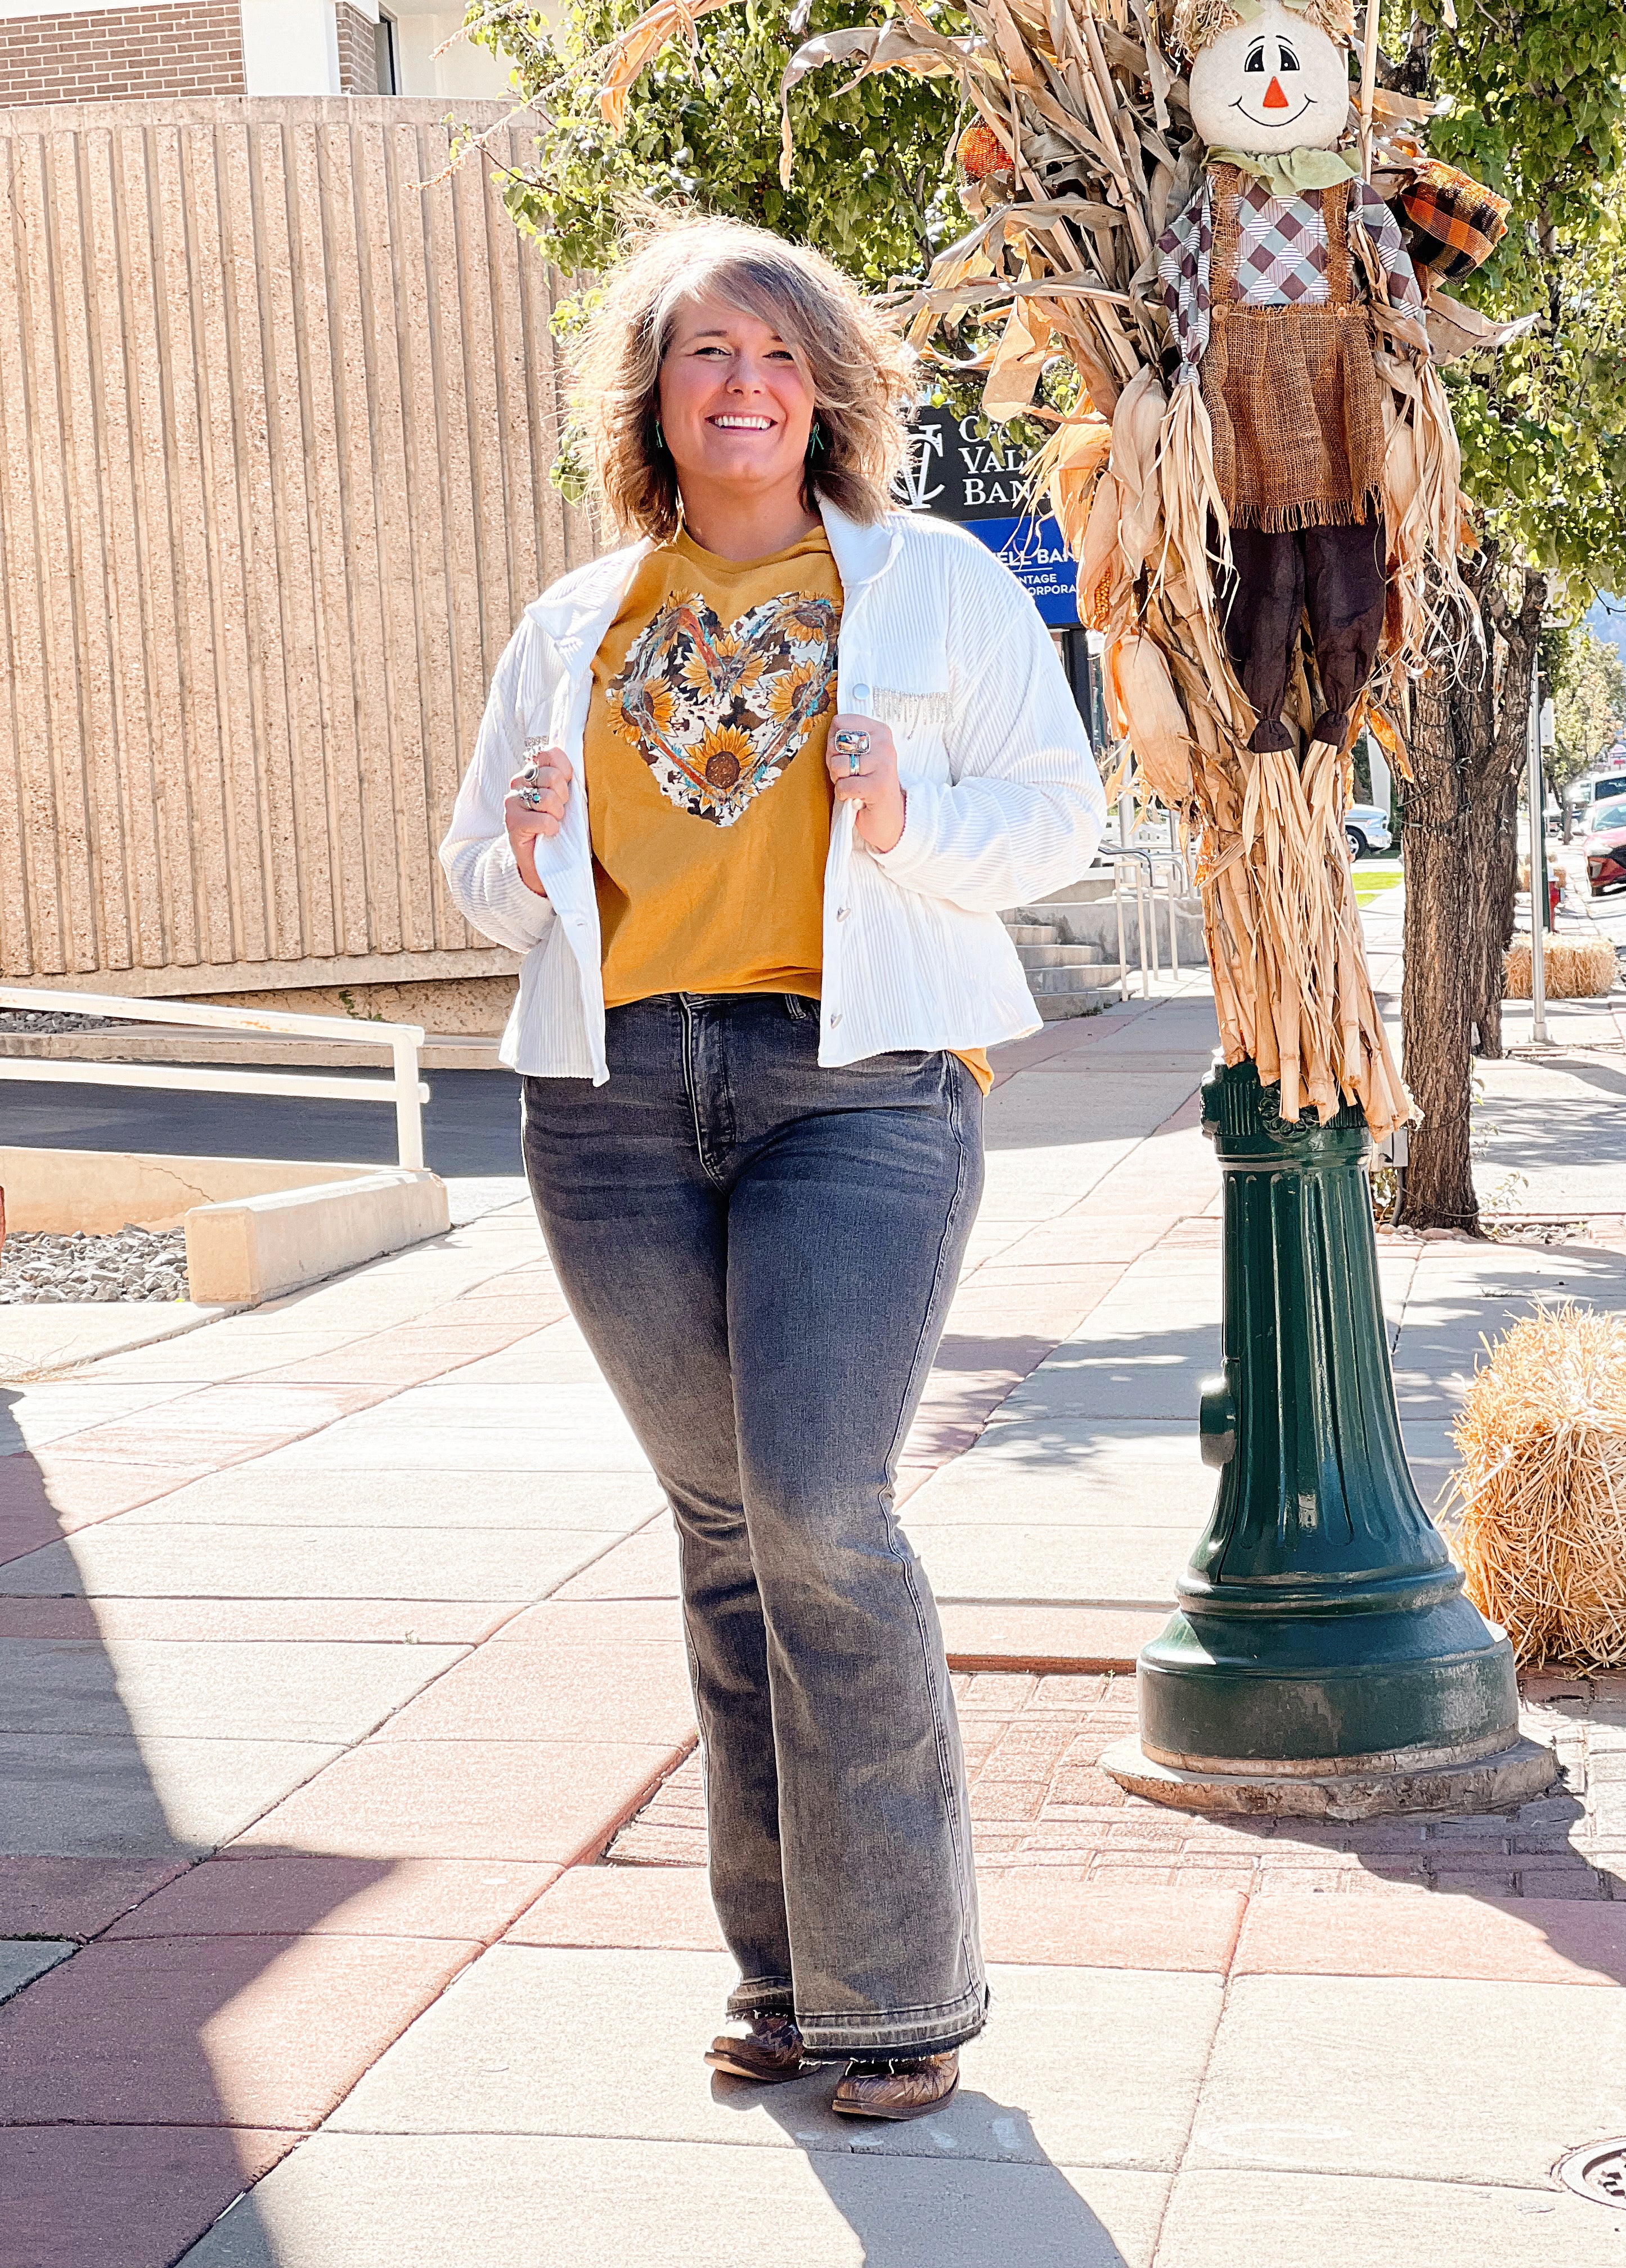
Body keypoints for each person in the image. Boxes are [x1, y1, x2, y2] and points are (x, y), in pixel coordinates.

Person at [441, 218, 1102, 2121]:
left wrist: (912, 820)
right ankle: (787, 1977)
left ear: (829, 393)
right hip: (614, 1102)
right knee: (726, 1537)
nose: (743, 386)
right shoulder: (576, 620)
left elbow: (1057, 816)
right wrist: (523, 846)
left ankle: (900, 1996)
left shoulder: (937, 586)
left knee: (821, 1511)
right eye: (705, 355)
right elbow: (487, 881)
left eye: (778, 357)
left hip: (859, 1088)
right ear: (652, 393)